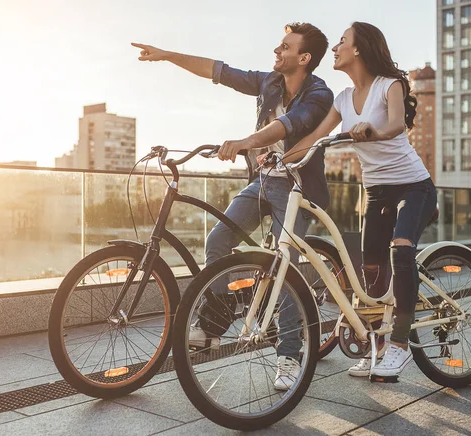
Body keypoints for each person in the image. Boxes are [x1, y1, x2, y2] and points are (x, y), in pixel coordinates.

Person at [132, 22, 333, 389]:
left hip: (298, 189)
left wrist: (244, 141)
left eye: (285, 47)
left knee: (281, 266)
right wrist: (167, 56)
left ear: (303, 58)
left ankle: (289, 353)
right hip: (262, 183)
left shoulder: (319, 93)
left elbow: (288, 126)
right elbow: (218, 71)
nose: (277, 50)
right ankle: (215, 323)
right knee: (217, 240)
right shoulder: (269, 82)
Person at [278, 22, 437, 380]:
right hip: (376, 192)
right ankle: (377, 349)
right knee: (372, 274)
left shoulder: (389, 86)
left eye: (341, 42)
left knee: (401, 250)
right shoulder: (342, 99)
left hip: (413, 187)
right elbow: (317, 137)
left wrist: (372, 131)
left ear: (359, 49)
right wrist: (277, 157)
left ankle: (399, 345)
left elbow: (397, 124)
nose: (335, 48)